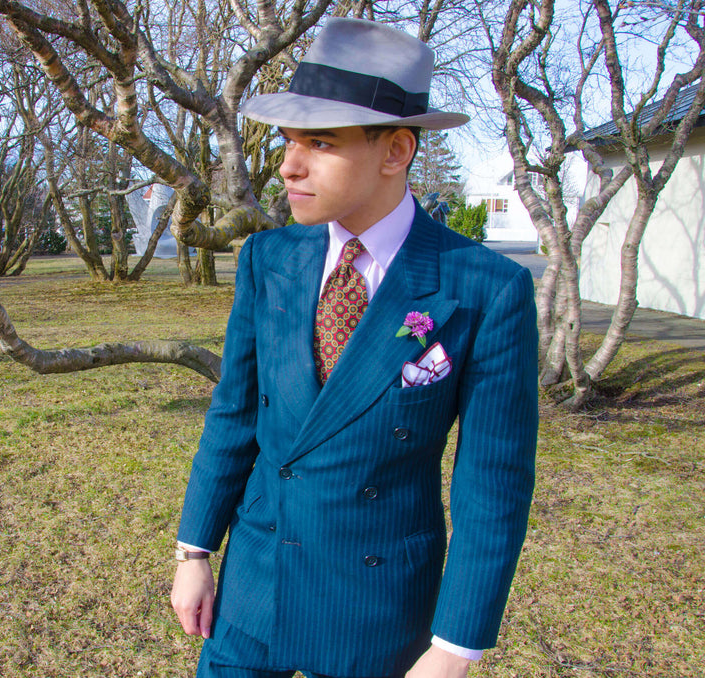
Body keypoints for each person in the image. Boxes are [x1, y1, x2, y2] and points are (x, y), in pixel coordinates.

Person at [170, 18, 538, 678]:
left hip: (381, 610)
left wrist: (455, 648)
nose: (288, 164)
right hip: (254, 587)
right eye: (287, 140)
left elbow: (492, 483)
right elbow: (234, 413)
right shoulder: (268, 259)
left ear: (396, 150)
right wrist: (194, 551)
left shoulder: (484, 288)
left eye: (319, 141)